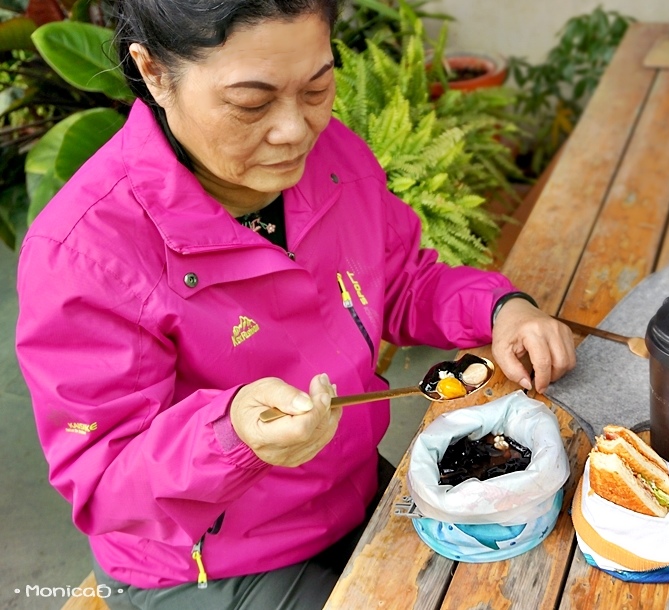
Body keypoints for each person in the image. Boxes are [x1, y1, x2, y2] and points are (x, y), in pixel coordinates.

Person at [14, 1, 576, 608]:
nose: (295, 129)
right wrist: (231, 436)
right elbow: (104, 488)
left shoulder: (332, 159)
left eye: (318, 86)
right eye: (251, 103)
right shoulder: (86, 255)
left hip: (349, 491)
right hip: (210, 560)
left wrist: (501, 310)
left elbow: (400, 280)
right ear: (152, 72)